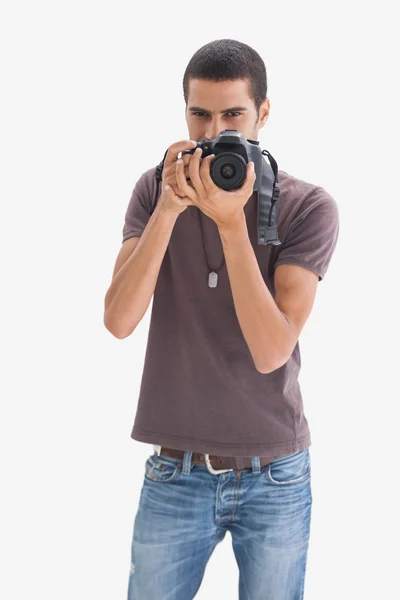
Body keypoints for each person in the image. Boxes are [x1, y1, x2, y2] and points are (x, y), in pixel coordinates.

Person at [104, 38, 340, 600]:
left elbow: (270, 350)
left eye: (232, 114)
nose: (215, 133)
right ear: (184, 112)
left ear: (262, 112)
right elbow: (118, 319)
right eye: (200, 115)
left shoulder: (308, 207)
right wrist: (168, 206)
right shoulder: (154, 189)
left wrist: (234, 225)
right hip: (175, 471)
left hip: (276, 474)